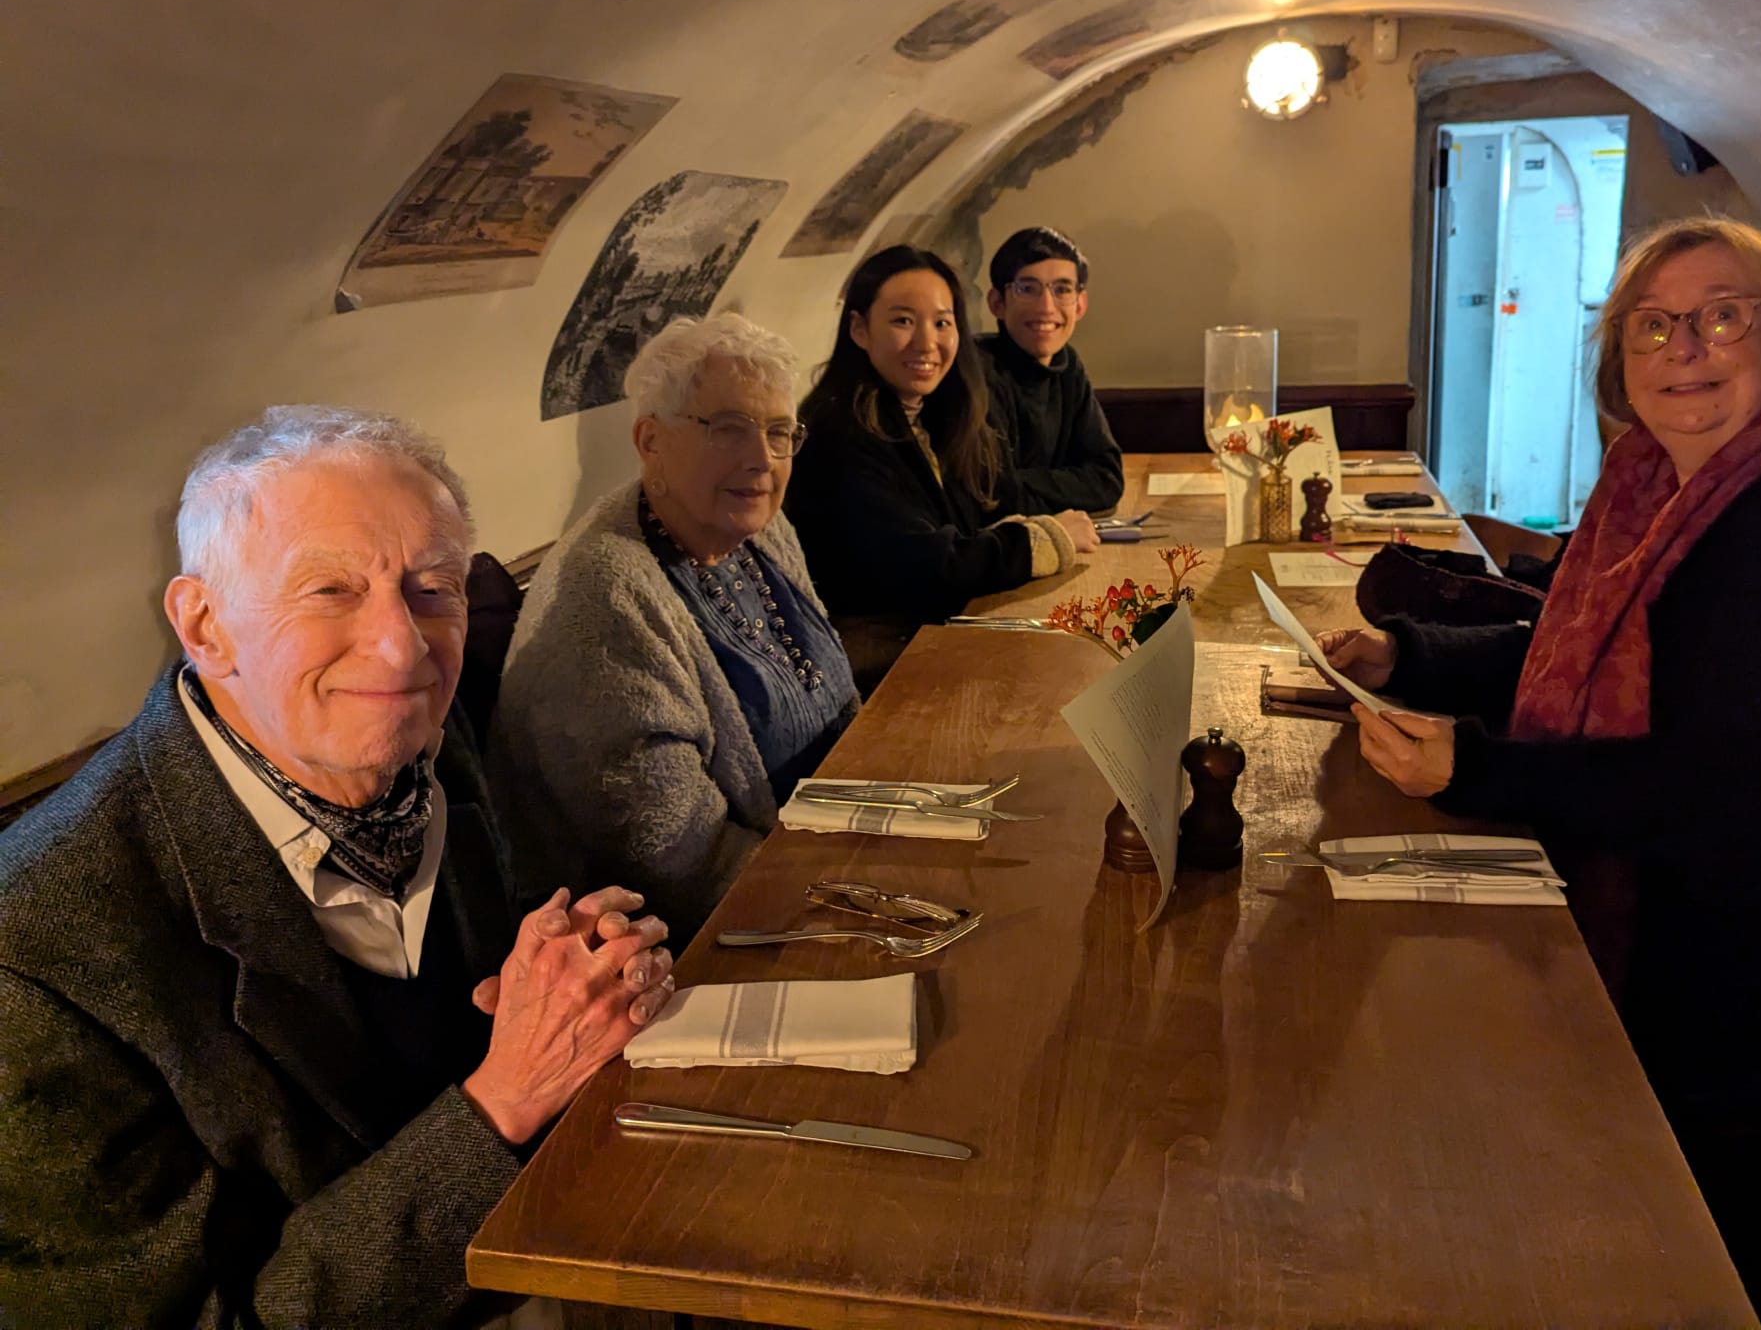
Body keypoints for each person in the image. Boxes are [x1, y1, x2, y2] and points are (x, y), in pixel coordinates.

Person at [1317, 217, 1761, 1326]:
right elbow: (1577, 646)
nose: (1685, 349)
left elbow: (1726, 797)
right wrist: (1409, 655)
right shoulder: (1656, 489)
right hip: (1689, 931)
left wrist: (1475, 771)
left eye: (1722, 317)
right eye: (1651, 327)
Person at [0, 406, 675, 1327]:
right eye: (330, 591)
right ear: (205, 626)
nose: (403, 646)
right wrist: (507, 1095)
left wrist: (565, 968)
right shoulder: (35, 954)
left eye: (433, 588)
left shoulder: (418, 752)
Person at [491, 313, 858, 936]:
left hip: (827, 849)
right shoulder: (604, 596)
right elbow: (679, 859)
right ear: (650, 441)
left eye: (778, 433)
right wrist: (852, 891)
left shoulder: (758, 528)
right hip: (703, 937)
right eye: (729, 429)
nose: (761, 459)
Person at [786, 245, 1099, 689]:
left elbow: (988, 510)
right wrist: (1048, 539)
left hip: (927, 634)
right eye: (902, 320)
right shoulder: (841, 431)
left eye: (942, 322)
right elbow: (930, 567)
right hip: (874, 665)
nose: (927, 343)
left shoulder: (931, 415)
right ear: (859, 328)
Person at [978, 225, 1124, 514]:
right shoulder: (977, 372)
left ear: (1080, 305)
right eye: (1028, 289)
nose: (1046, 307)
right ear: (997, 303)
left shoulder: (1067, 365)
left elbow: (1107, 479)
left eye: (1062, 290)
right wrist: (1065, 487)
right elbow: (991, 497)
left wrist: (1020, 483)